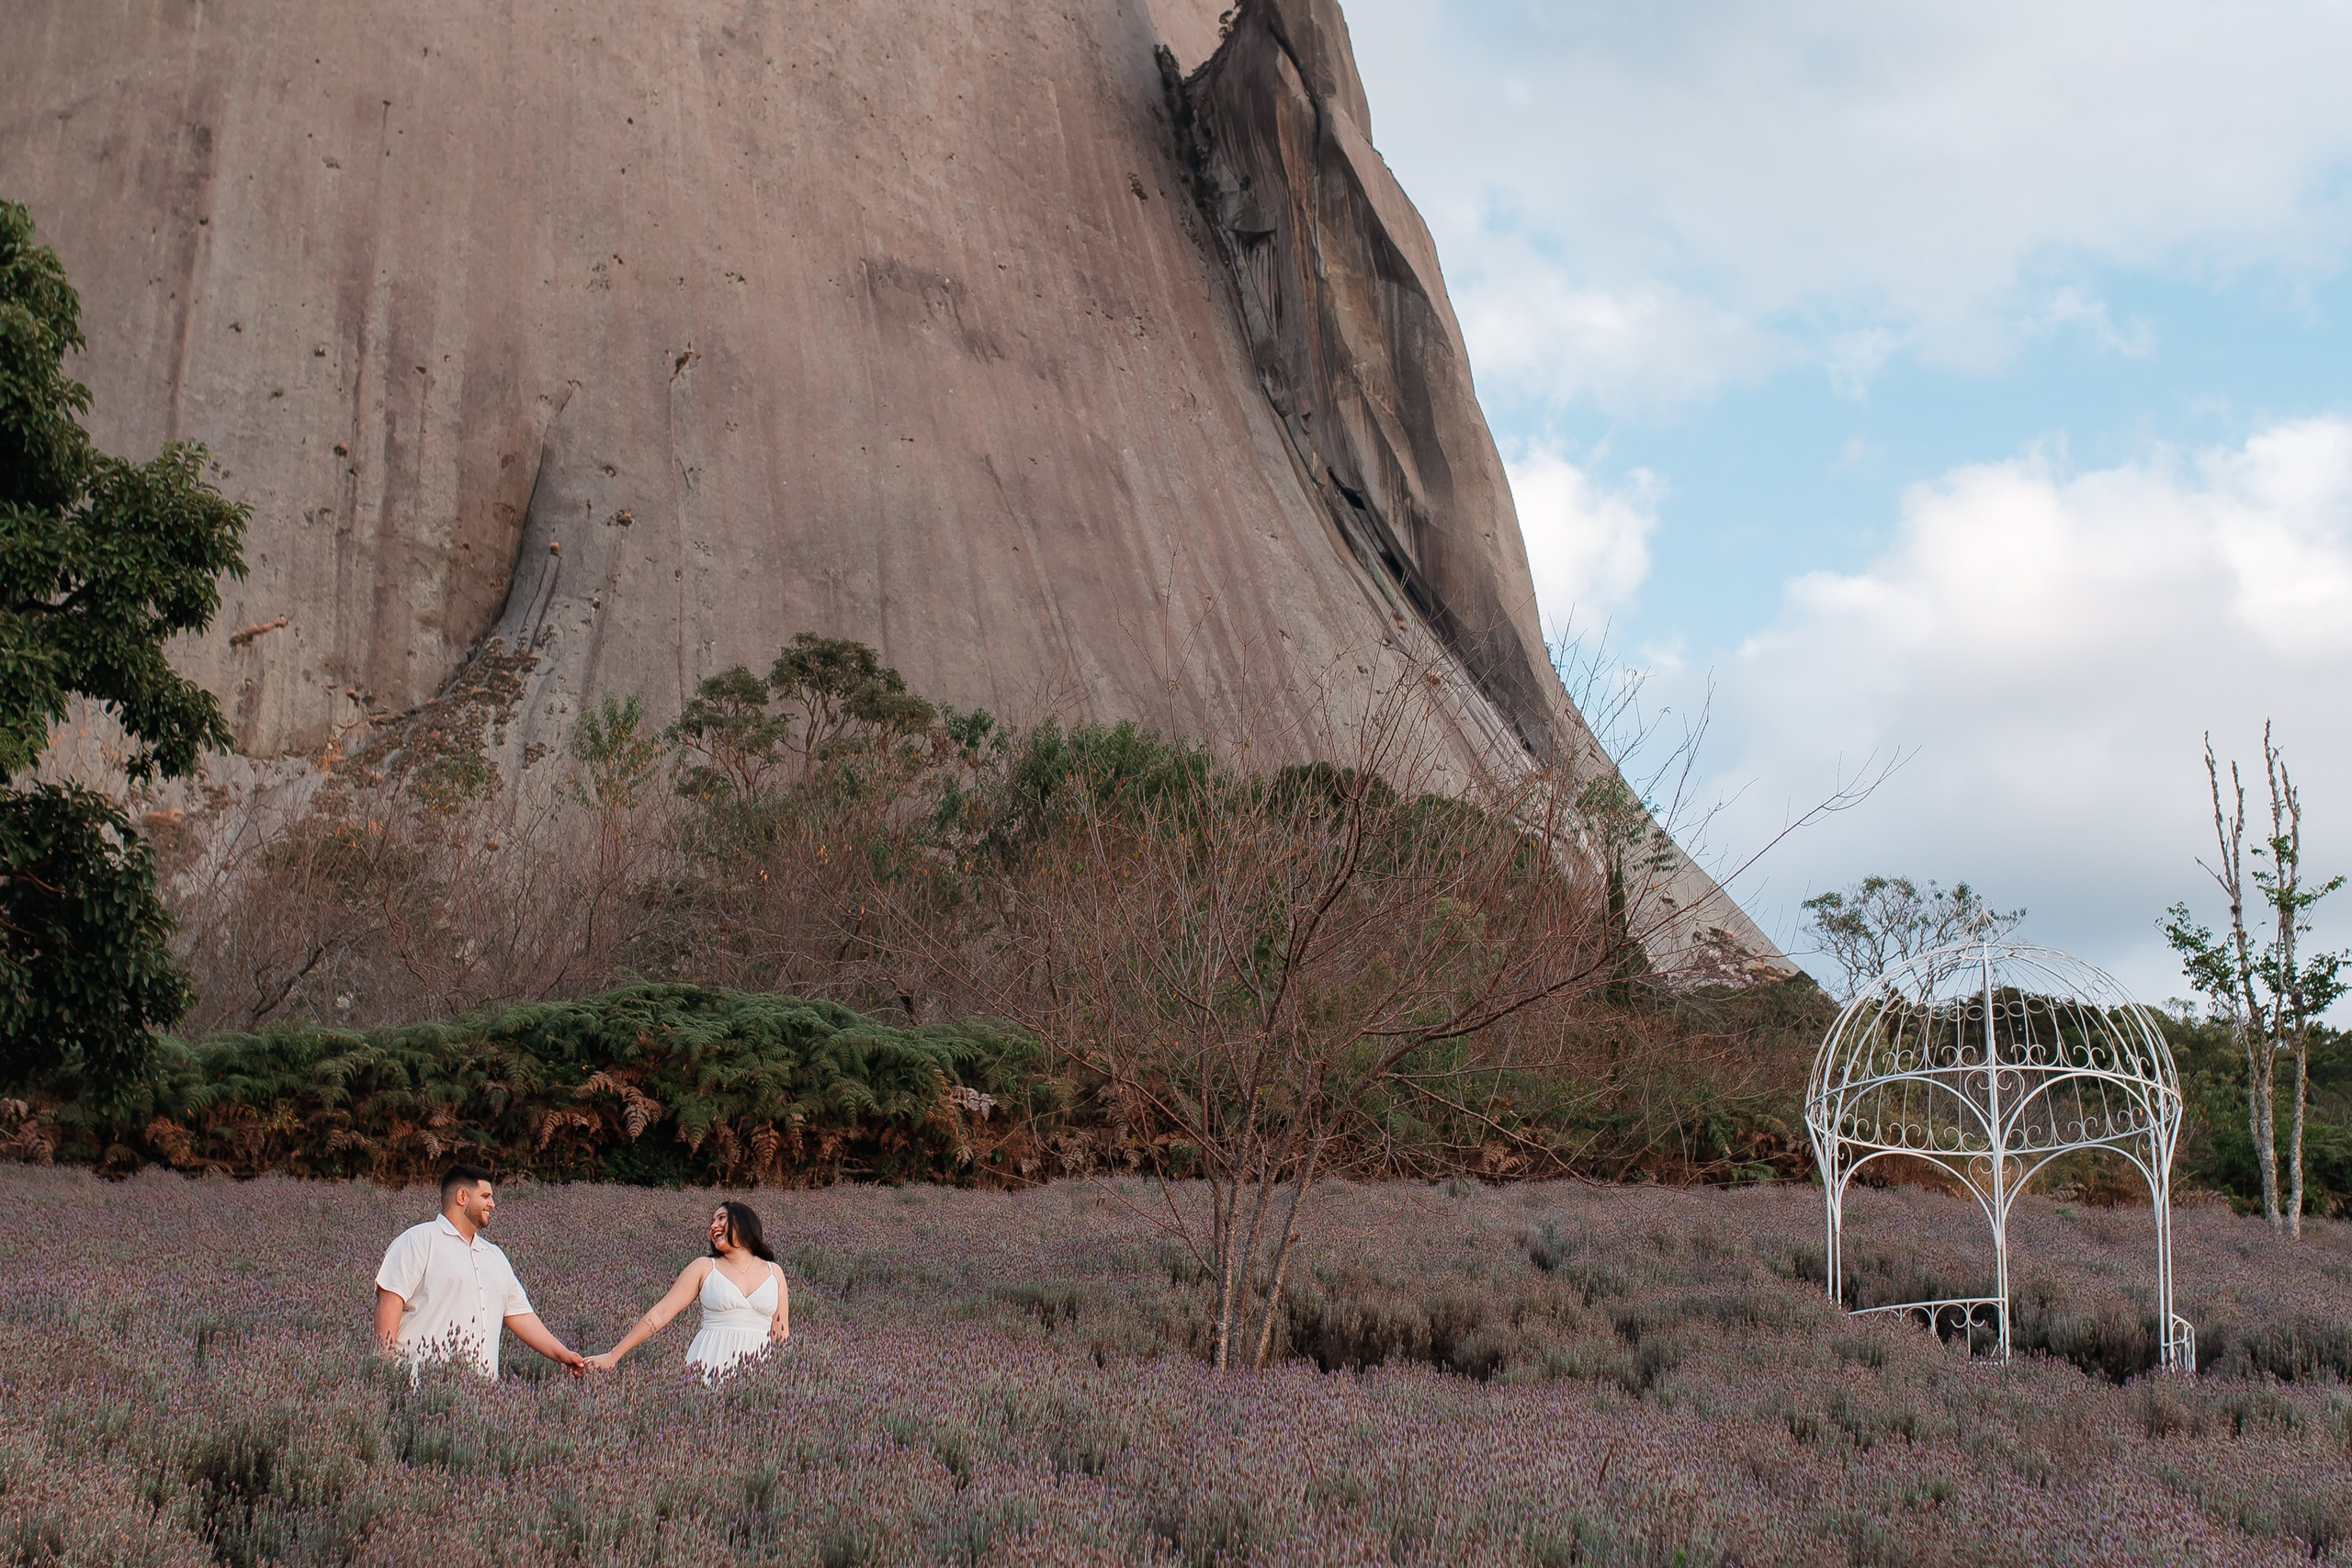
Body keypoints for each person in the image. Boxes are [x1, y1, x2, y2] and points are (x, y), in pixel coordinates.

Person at [374, 1163, 584, 1379]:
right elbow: (390, 1300)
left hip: (479, 1397)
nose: (492, 1204)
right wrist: (386, 1371)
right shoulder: (418, 1241)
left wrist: (562, 1354)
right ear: (462, 1197)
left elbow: (520, 1315)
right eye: (485, 1196)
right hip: (419, 1388)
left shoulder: (494, 1256)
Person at [585, 1201, 788, 1382]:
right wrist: (613, 1355)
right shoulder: (704, 1267)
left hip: (761, 1366)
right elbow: (661, 1313)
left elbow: (780, 1335)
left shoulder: (774, 1272)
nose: (713, 1226)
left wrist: (785, 1378)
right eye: (712, 1221)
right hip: (711, 1360)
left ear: (744, 1223)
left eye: (721, 1218)